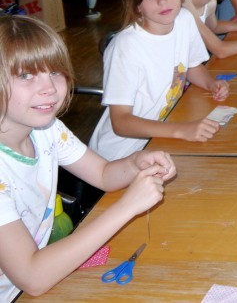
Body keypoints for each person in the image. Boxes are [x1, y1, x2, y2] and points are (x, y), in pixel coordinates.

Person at [0, 15, 177, 300]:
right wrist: (126, 207)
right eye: (25, 75)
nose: (49, 88)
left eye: (54, 72)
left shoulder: (47, 129)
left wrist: (134, 163)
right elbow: (33, 278)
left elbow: (103, 174)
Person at [88, 0, 230, 162]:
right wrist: (181, 130)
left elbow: (191, 67)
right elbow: (121, 122)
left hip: (161, 137)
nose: (162, 1)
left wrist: (210, 83)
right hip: (120, 156)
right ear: (136, 5)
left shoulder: (184, 20)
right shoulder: (126, 47)